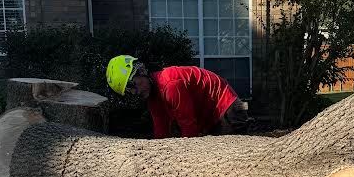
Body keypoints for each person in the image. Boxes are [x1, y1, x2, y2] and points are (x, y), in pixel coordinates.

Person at [106, 55, 248, 139]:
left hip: (228, 106)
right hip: (210, 114)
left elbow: (189, 127)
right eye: (129, 92)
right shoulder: (153, 98)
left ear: (140, 72)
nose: (135, 93)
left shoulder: (170, 85)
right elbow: (160, 132)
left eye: (133, 86)